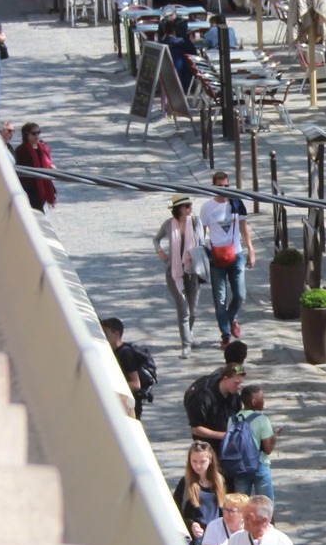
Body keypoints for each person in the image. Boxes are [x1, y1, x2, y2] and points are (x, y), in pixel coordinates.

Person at [200, 171, 255, 348]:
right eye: (220, 186)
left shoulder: (236, 203)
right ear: (214, 187)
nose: (224, 190)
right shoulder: (207, 208)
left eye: (226, 186)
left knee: (240, 294)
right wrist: (202, 253)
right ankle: (225, 333)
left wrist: (251, 250)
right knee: (220, 299)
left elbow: (243, 227)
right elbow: (201, 233)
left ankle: (231, 317)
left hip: (236, 253)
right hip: (217, 257)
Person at [154, 194, 204, 358]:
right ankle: (186, 344)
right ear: (178, 209)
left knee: (193, 309)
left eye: (190, 205)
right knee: (183, 310)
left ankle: (188, 334)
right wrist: (160, 251)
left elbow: (202, 244)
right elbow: (156, 239)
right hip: (174, 273)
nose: (190, 208)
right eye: (187, 206)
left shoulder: (196, 222)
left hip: (192, 271)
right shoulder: (169, 224)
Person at [173, 440, 228, 545]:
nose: (198, 466)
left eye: (202, 461)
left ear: (210, 460)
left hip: (215, 534)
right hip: (195, 538)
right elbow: (176, 510)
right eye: (194, 461)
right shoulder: (186, 482)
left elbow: (222, 508)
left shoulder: (219, 480)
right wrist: (191, 524)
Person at [229, 385, 277, 502]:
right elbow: (267, 449)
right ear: (254, 402)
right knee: (266, 505)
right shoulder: (262, 420)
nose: (264, 402)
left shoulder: (233, 419)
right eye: (262, 399)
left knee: (240, 504)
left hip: (240, 466)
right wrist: (274, 436)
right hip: (259, 465)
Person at [184, 362, 246, 446]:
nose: (239, 387)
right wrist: (223, 436)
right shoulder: (204, 397)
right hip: (207, 445)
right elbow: (196, 428)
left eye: (241, 383)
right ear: (225, 379)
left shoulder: (235, 396)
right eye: (236, 383)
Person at [100, 317, 148, 419]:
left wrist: (111, 388)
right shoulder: (111, 351)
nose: (103, 337)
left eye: (106, 333)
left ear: (116, 334)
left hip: (129, 404)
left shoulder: (126, 354)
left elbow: (136, 384)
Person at [12, 122, 57, 211]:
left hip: (44, 184)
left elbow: (47, 162)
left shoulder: (44, 147)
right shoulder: (21, 150)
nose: (37, 135)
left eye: (38, 133)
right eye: (34, 133)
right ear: (26, 134)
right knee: (37, 212)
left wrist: (51, 166)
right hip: (30, 188)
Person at [162, 17, 198, 93]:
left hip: (166, 80)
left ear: (164, 31)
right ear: (175, 30)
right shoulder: (185, 44)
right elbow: (195, 56)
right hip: (184, 82)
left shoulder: (160, 46)